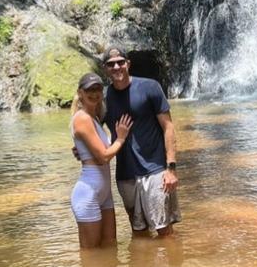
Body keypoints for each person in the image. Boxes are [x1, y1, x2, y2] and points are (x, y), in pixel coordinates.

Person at [102, 47, 181, 237]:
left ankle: (173, 266)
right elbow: (90, 126)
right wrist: (80, 147)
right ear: (105, 68)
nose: (117, 67)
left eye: (121, 62)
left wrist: (170, 168)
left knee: (164, 229)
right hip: (125, 175)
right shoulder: (104, 97)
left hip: (155, 171)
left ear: (128, 64)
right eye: (111, 64)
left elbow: (168, 127)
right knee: (138, 231)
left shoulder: (150, 87)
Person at [70, 72, 133, 248]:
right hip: (88, 194)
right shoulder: (82, 118)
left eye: (98, 88)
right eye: (89, 89)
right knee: (91, 257)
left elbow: (93, 149)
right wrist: (120, 138)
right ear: (80, 93)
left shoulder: (94, 118)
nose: (94, 93)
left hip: (104, 193)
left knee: (110, 248)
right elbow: (104, 156)